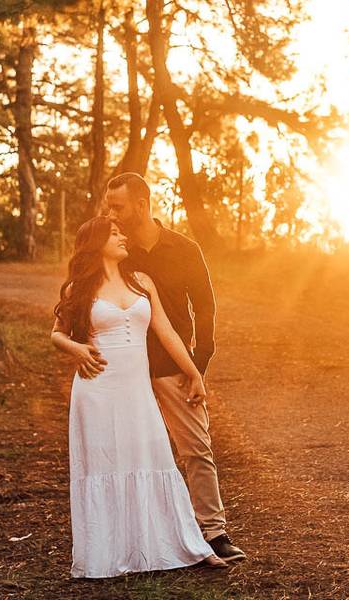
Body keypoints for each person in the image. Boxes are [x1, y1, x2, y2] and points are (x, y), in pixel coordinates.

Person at [51, 216, 227, 576]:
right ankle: (108, 553)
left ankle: (182, 543)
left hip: (136, 389)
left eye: (121, 232)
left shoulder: (141, 282)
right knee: (106, 463)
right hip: (97, 388)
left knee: (153, 457)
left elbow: (167, 332)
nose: (122, 237)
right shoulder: (77, 289)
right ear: (95, 242)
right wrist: (77, 350)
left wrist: (195, 373)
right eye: (114, 234)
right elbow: (56, 333)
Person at [96, 172, 246, 563]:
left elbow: (206, 304)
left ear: (142, 205)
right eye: (109, 206)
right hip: (124, 369)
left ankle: (213, 532)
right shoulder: (113, 250)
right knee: (132, 452)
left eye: (118, 206)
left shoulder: (183, 248)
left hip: (172, 365)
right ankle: (139, 534)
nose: (111, 213)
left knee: (195, 447)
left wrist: (201, 359)